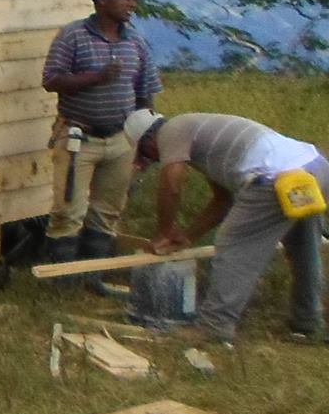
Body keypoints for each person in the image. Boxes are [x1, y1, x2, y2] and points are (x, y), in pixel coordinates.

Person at [136, 108, 327, 346]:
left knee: (233, 246)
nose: (154, 160)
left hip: (275, 178)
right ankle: (308, 322)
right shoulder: (202, 138)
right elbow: (223, 201)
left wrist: (163, 232)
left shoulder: (170, 131)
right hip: (313, 167)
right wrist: (187, 236)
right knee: (303, 247)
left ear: (148, 140)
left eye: (146, 155)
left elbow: (172, 185)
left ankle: (215, 326)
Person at [38, 0, 162, 265]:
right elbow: (51, 80)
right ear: (102, 0)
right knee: (69, 211)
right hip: (79, 136)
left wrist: (145, 140)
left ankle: (92, 276)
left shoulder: (136, 43)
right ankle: (64, 282)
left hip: (122, 139)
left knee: (108, 211)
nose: (132, 3)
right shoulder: (73, 35)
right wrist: (96, 77)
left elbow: (145, 95)